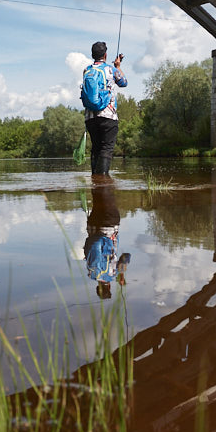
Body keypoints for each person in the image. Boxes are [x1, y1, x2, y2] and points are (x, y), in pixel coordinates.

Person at [82, 41, 128, 180]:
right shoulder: (111, 69)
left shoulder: (86, 70)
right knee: (106, 148)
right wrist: (118, 67)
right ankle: (102, 180)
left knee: (96, 148)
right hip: (108, 116)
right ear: (105, 54)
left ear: (92, 54)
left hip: (90, 117)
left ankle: (95, 180)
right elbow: (124, 82)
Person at [84, 180, 129, 299]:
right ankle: (96, 177)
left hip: (110, 226)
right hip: (93, 225)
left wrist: (122, 274)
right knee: (97, 193)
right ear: (97, 287)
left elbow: (126, 256)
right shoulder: (91, 273)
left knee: (108, 190)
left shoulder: (113, 273)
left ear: (109, 287)